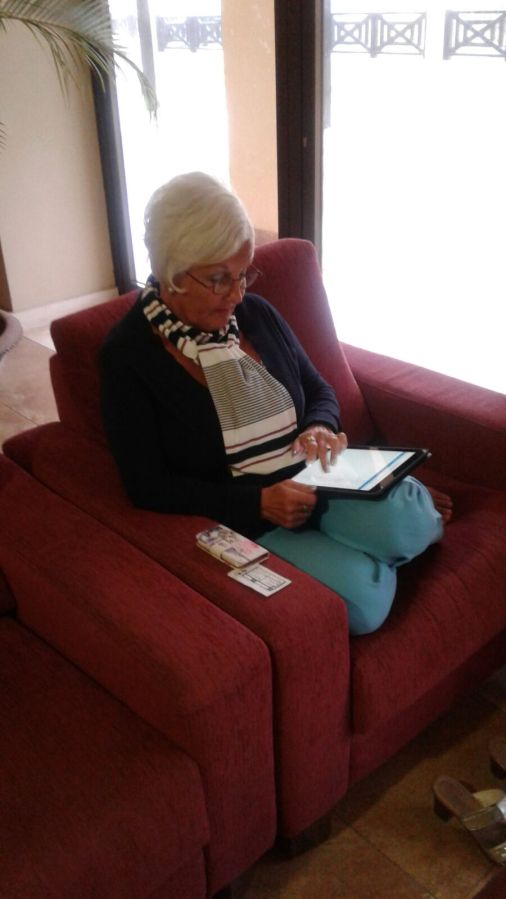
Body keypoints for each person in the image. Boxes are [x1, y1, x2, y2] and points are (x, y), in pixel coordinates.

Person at [99, 171, 450, 635]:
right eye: (219, 279)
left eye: (242, 274)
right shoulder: (127, 358)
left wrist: (320, 426)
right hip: (254, 518)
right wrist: (259, 503)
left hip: (318, 480)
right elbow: (146, 485)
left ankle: (390, 533)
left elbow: (319, 390)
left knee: (413, 522)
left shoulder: (256, 315)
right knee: (365, 606)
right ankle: (380, 545)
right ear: (172, 272)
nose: (237, 294)